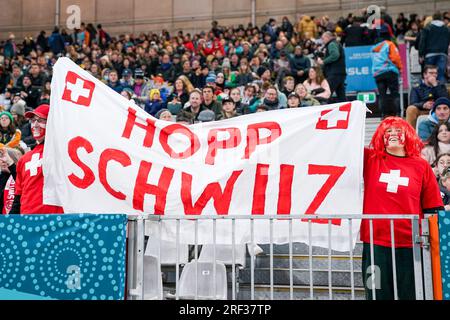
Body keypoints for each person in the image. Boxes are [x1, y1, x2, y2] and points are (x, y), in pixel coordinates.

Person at [362, 116, 443, 300]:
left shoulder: (421, 165)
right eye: (387, 132)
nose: (392, 134)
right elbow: (345, 144)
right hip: (376, 243)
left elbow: (433, 207)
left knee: (412, 294)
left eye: (397, 131)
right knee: (376, 292)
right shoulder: (371, 159)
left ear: (408, 135)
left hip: (411, 243)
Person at [9, 104, 64, 214]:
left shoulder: (61, 152)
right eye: (33, 121)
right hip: (28, 221)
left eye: (40, 120)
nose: (35, 124)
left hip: (55, 221)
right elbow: (19, 195)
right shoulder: (24, 159)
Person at [371, 34, 403, 118]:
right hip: (390, 71)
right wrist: (400, 68)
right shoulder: (389, 44)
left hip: (378, 74)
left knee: (382, 95)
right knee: (395, 94)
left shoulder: (373, 48)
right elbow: (395, 58)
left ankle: (383, 115)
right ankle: (398, 114)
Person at [418, 12, 450, 83]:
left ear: (433, 18)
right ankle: (440, 93)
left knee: (429, 75)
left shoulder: (427, 28)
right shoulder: (446, 29)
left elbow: (422, 42)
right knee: (440, 75)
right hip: (442, 54)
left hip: (430, 54)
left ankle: (429, 93)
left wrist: (421, 55)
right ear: (441, 18)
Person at [317, 31, 347, 103]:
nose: (322, 40)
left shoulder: (332, 44)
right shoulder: (335, 43)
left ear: (328, 37)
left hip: (334, 73)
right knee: (341, 96)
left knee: (327, 93)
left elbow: (335, 55)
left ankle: (326, 111)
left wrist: (323, 61)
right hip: (340, 73)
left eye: (323, 38)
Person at [0, 147, 23, 214]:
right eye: (1, 157)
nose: (3, 161)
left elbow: (18, 178)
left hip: (14, 220)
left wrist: (12, 167)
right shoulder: (1, 177)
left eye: (6, 158)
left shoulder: (19, 176)